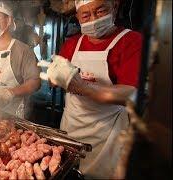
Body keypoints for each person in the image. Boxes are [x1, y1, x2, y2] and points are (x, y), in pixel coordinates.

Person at [44, 0, 142, 178]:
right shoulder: (72, 44)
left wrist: (83, 87)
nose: (93, 19)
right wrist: (54, 77)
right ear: (77, 18)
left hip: (108, 134)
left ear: (114, 7)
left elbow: (132, 93)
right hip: (71, 128)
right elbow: (54, 81)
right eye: (86, 15)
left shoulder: (131, 41)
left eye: (100, 11)